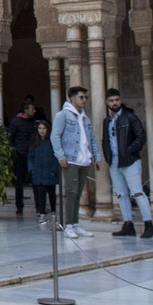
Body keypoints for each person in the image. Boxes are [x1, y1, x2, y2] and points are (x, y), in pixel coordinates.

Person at [104, 88, 153, 238]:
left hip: (130, 161)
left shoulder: (129, 117)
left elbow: (141, 136)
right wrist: (107, 157)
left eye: (117, 100)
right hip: (114, 162)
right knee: (121, 194)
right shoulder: (107, 121)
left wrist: (128, 150)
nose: (115, 103)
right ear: (107, 102)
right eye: (111, 100)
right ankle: (128, 224)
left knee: (137, 193)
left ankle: (149, 224)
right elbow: (105, 140)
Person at [53, 85, 98, 239]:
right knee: (71, 193)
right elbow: (55, 136)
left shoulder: (85, 118)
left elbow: (92, 139)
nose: (84, 100)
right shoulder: (63, 115)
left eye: (85, 97)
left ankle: (76, 223)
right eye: (81, 97)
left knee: (78, 193)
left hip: (84, 160)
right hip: (71, 160)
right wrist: (60, 156)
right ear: (72, 99)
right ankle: (68, 225)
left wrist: (96, 157)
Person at [7, 97, 38, 218]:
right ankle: (19, 207)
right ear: (25, 110)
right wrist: (14, 152)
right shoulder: (16, 122)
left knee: (35, 181)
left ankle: (39, 207)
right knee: (19, 183)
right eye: (32, 109)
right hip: (19, 156)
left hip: (30, 156)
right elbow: (9, 138)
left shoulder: (32, 122)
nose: (34, 111)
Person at [28, 118, 59, 228]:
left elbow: (56, 157)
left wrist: (53, 170)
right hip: (38, 173)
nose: (42, 131)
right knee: (40, 195)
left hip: (50, 173)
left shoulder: (51, 143)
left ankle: (54, 212)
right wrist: (31, 169)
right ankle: (41, 213)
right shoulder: (34, 143)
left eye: (44, 128)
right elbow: (30, 157)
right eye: (40, 128)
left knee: (51, 194)